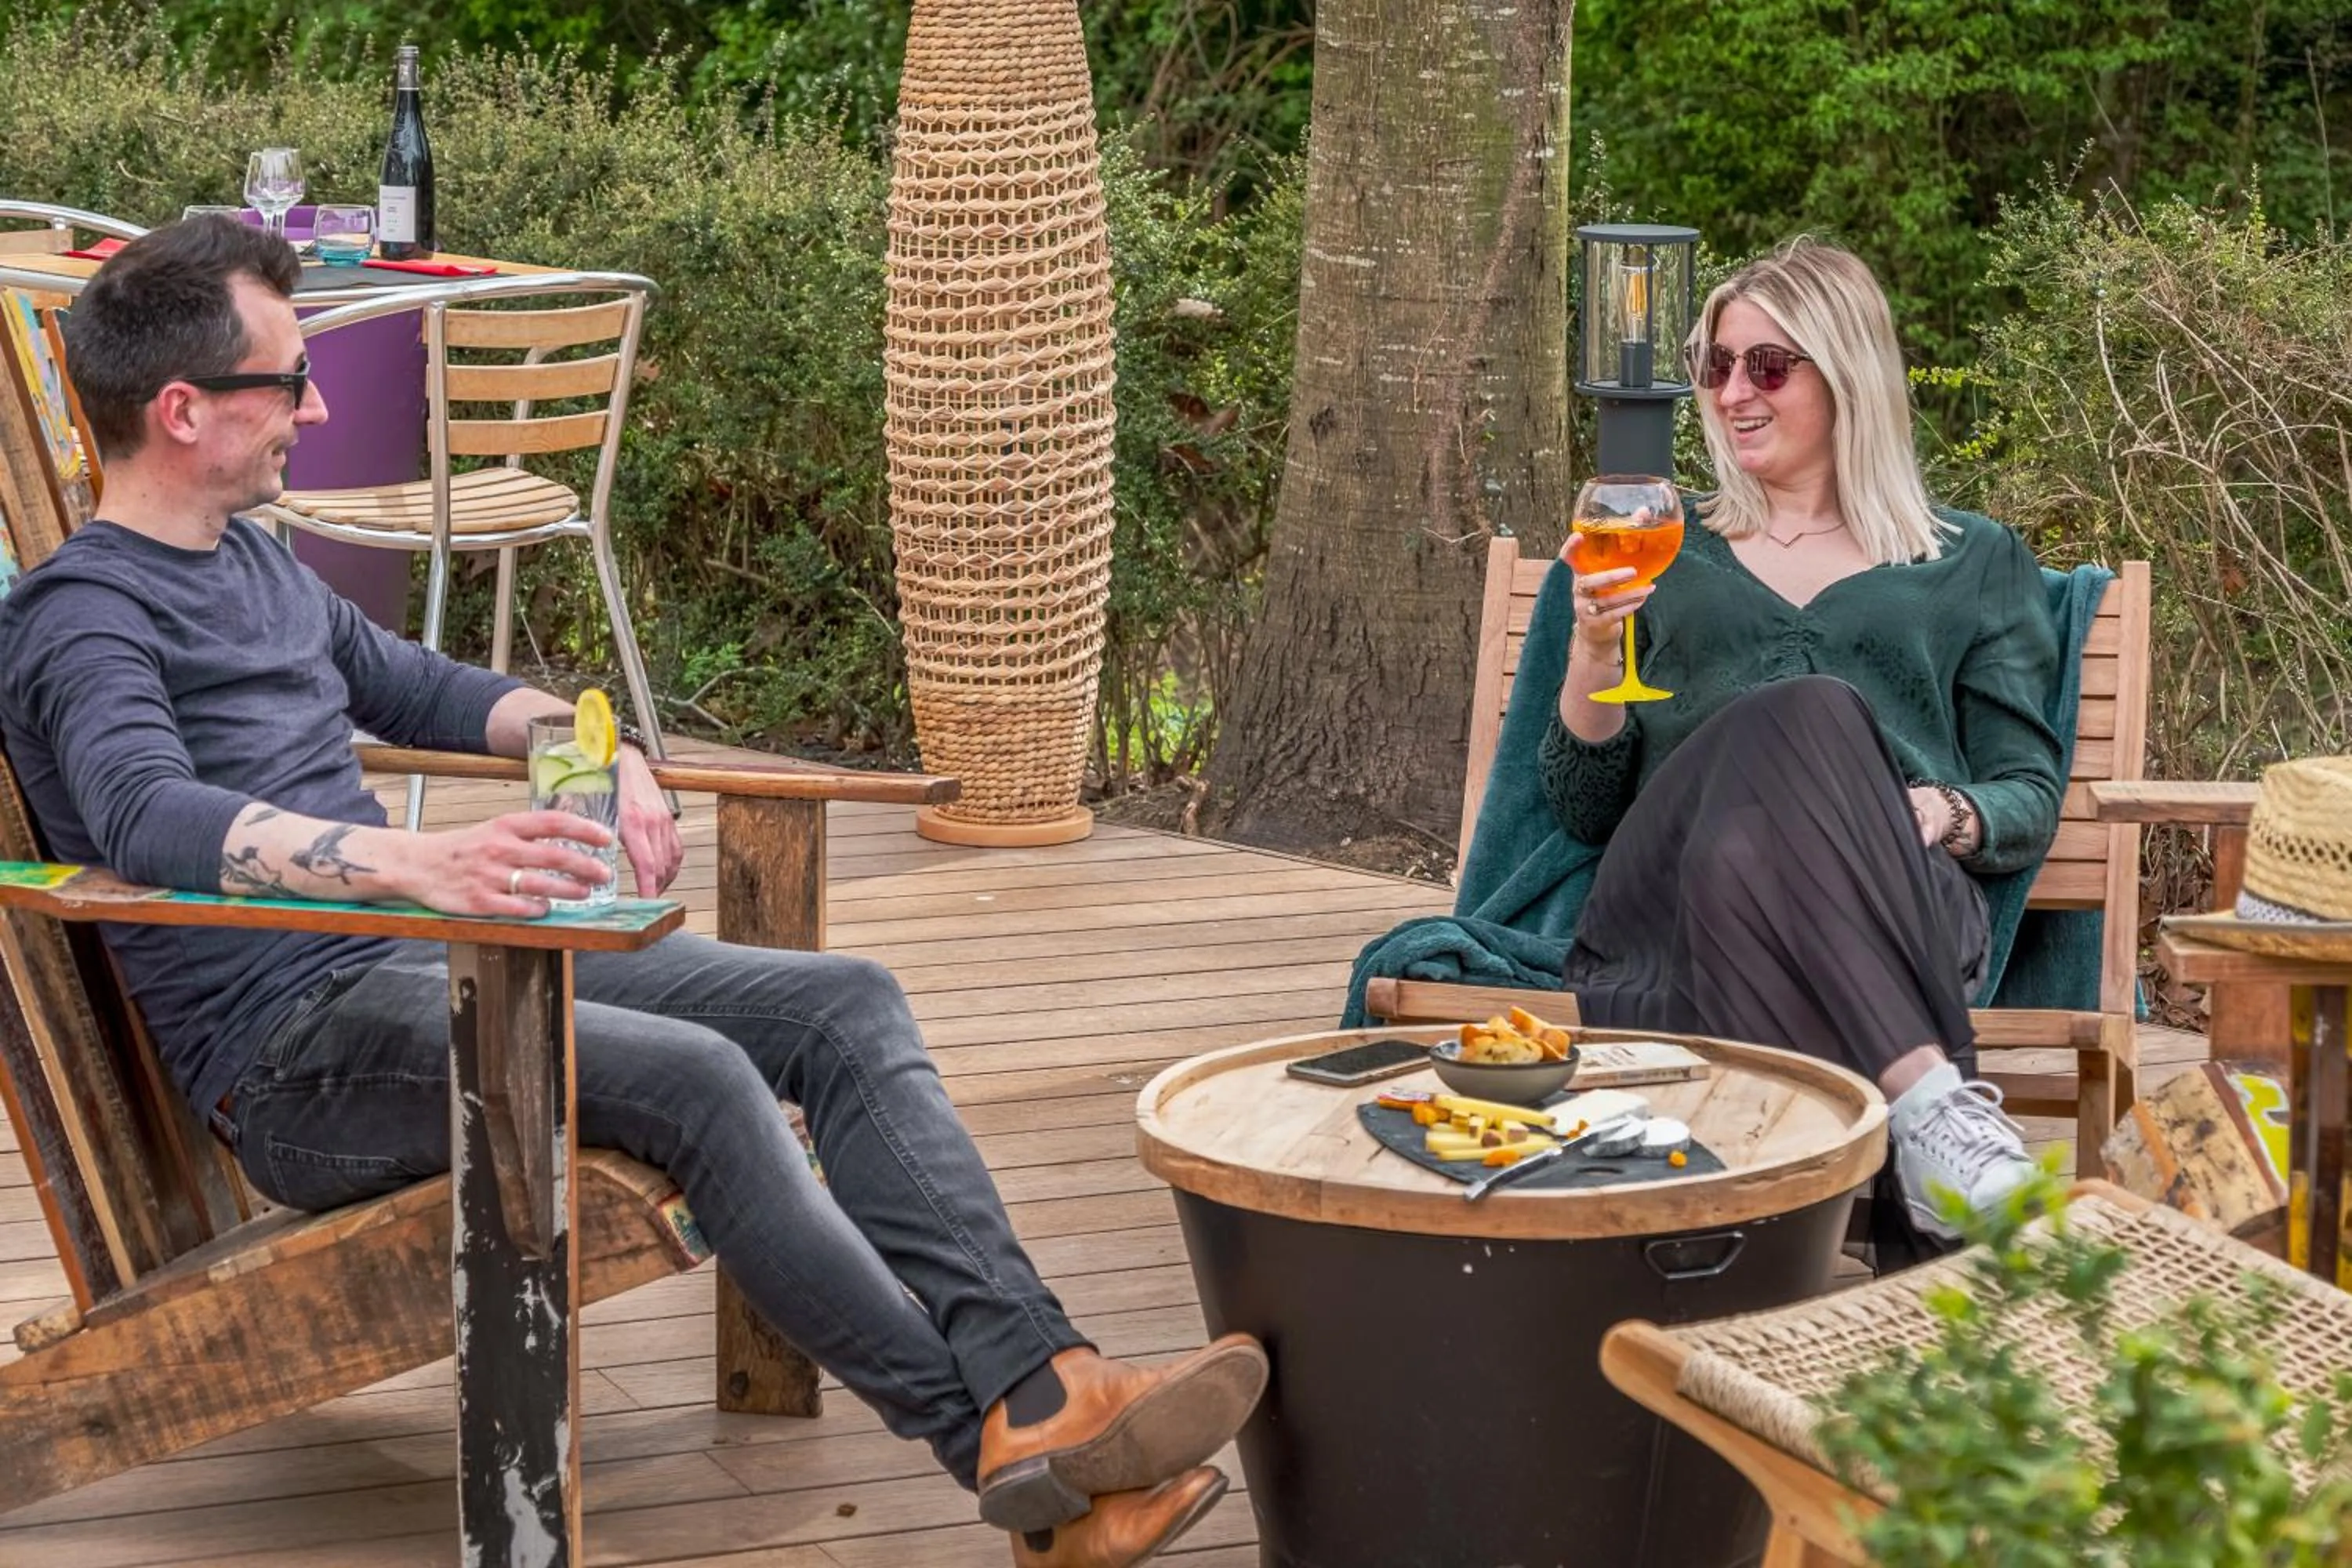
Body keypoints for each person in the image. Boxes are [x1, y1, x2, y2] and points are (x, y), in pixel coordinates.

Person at [0, 217, 1261, 1568]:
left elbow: (428, 688)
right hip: (294, 1062)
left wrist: (599, 747)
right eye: (289, 383)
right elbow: (144, 813)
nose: (316, 406)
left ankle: (1046, 1390)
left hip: (429, 975)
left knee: (844, 1005)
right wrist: (419, 863)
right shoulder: (81, 617)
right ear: (183, 411)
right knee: (707, 1081)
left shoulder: (254, 564)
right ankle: (1005, 1448)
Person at [1550, 238, 2060, 1243]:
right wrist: (1593, 648)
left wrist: (1943, 808)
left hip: (1893, 897)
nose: (1734, 392)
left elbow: (2024, 788)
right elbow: (1582, 804)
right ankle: (1930, 1109)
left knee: (1784, 788)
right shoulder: (1661, 542)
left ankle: (1748, 1264)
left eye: (1767, 366)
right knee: (1809, 709)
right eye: (1717, 365)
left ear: (1848, 374)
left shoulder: (1973, 559)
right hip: (1667, 903)